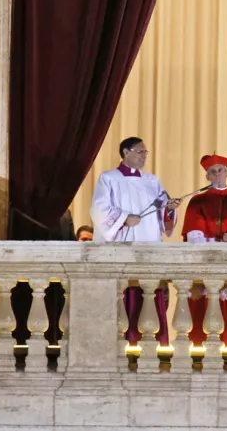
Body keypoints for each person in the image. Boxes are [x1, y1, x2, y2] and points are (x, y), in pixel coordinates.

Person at [90, 137, 181, 347]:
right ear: (125, 152)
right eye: (140, 152)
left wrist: (169, 208)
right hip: (124, 243)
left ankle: (152, 343)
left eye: (145, 152)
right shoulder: (109, 179)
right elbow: (99, 209)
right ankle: (121, 342)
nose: (144, 156)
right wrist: (124, 219)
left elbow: (162, 209)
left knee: (148, 292)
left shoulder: (151, 180)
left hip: (148, 245)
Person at [181, 153, 227, 349]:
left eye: (220, 170)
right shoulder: (196, 202)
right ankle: (199, 349)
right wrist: (211, 246)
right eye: (212, 172)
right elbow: (193, 234)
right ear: (207, 176)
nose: (217, 174)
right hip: (204, 263)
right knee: (202, 309)